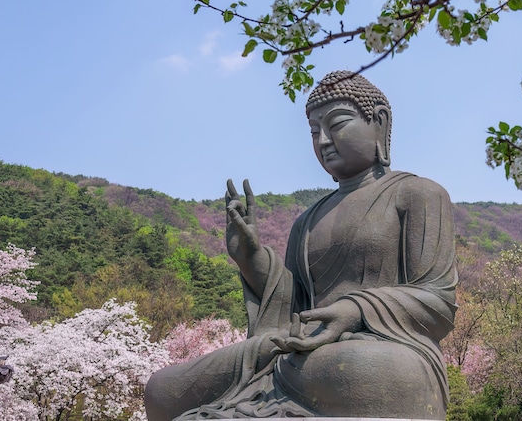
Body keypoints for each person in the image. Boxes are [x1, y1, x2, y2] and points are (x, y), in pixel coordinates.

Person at [144, 71, 458, 420]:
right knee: (162, 389)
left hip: (377, 346)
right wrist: (252, 259)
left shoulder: (418, 194)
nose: (323, 140)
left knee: (358, 367)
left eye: (337, 124)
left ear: (380, 122)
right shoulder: (307, 220)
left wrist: (355, 312)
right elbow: (293, 306)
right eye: (313, 131)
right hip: (296, 348)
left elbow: (438, 302)